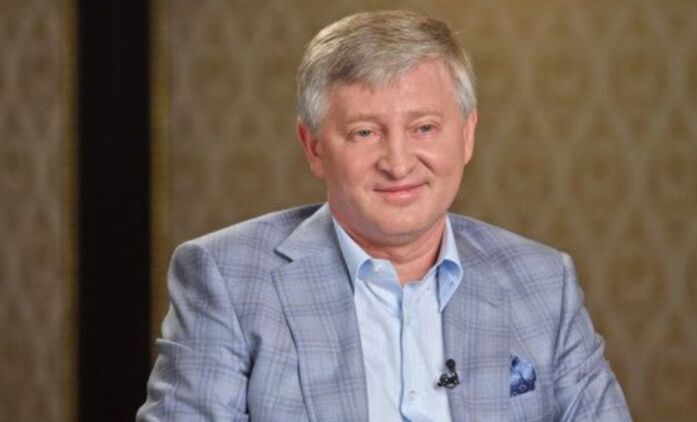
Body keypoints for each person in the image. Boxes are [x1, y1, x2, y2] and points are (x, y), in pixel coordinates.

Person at [137, 10, 632, 421]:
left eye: (424, 128)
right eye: (365, 133)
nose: (398, 163)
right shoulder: (228, 279)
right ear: (313, 147)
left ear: (466, 136)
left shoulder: (544, 284)